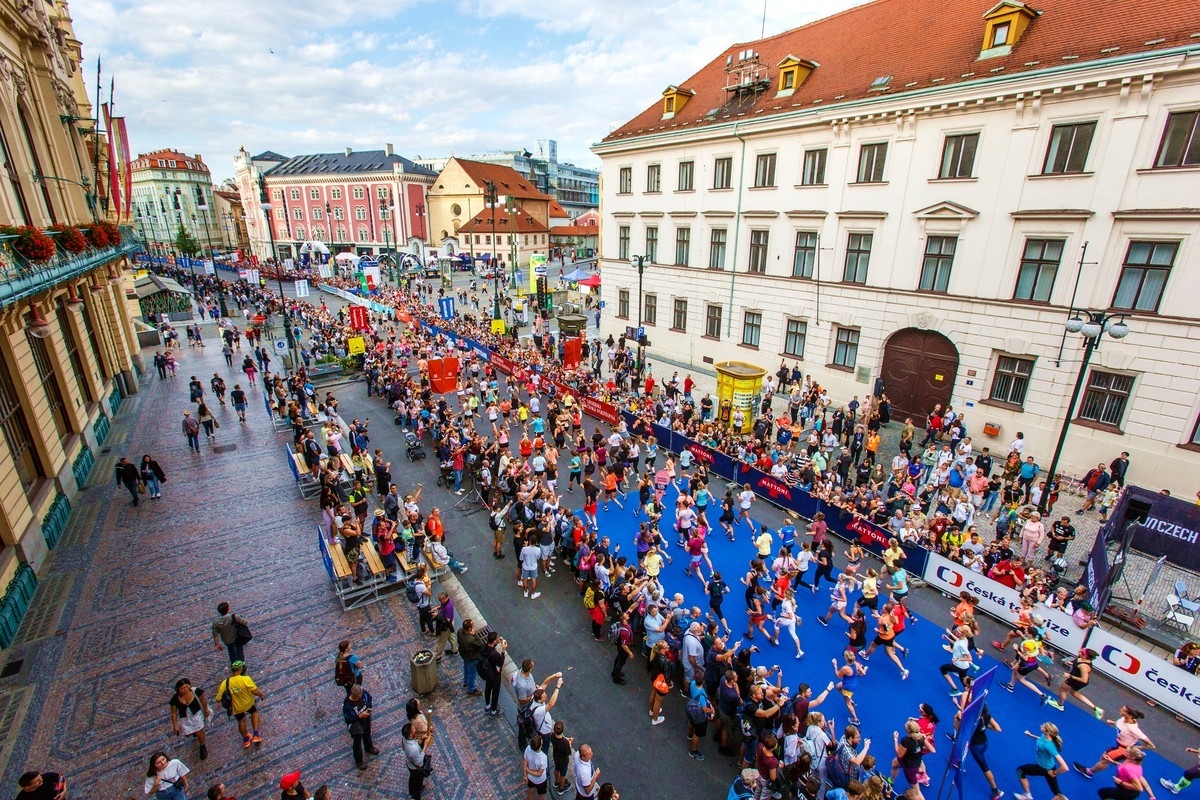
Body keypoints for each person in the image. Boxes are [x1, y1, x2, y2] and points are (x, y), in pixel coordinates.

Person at [1074, 706, 1155, 779]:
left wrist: (1133, 748)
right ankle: (1104, 765)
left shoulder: (1134, 729)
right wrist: (1113, 722)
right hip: (1119, 745)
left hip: (1123, 749)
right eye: (1121, 709)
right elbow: (1122, 726)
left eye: (1123, 710)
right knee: (1104, 757)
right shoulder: (1125, 719)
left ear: (1129, 715)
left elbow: (1151, 746)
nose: (1120, 710)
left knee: (1104, 760)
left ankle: (1089, 772)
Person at [216, 660, 264, 749]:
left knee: (241, 721)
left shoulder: (225, 683)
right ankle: (256, 735)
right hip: (248, 703)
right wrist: (261, 695)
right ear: (240, 669)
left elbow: (218, 699)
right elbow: (255, 691)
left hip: (236, 707)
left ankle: (246, 740)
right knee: (254, 713)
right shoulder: (245, 679)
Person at [1014, 722, 1067, 800]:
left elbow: (1065, 767)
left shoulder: (1049, 746)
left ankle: (1027, 796)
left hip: (1042, 768)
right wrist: (1031, 735)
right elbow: (1040, 739)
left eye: (1043, 726)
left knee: (1020, 771)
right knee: (1057, 792)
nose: (1041, 726)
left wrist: (1055, 773)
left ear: (1047, 732)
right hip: (1050, 767)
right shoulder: (1045, 736)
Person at [168, 679, 212, 761]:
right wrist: (175, 726)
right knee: (187, 734)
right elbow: (173, 713)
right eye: (183, 688)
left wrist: (206, 711)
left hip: (197, 714)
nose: (185, 689)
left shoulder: (196, 691)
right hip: (185, 717)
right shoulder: (175, 699)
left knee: (199, 731)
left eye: (187, 687)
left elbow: (203, 701)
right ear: (178, 689)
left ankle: (202, 746)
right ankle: (195, 732)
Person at [342, 685, 380, 770]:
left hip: (365, 719)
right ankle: (359, 761)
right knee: (357, 741)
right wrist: (359, 716)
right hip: (356, 724)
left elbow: (369, 698)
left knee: (367, 732)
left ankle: (369, 747)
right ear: (357, 696)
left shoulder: (363, 694)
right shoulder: (348, 705)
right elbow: (348, 719)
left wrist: (368, 709)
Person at [402, 721, 431, 800]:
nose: (415, 728)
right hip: (415, 768)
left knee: (412, 778)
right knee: (417, 783)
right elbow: (419, 762)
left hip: (409, 764)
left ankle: (411, 791)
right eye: (413, 728)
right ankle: (416, 796)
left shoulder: (404, 739)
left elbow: (415, 743)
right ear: (411, 734)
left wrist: (422, 739)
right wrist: (425, 745)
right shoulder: (413, 749)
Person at [481, 630, 506, 716]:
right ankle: (494, 711)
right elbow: (501, 663)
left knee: (488, 688)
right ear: (494, 640)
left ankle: (487, 705)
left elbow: (490, 647)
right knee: (495, 692)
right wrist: (503, 650)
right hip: (495, 675)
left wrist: (496, 643)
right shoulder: (495, 654)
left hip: (487, 672)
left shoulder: (484, 647)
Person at [457, 618, 483, 696]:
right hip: (472, 657)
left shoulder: (460, 631)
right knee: (472, 673)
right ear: (469, 629)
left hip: (464, 655)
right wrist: (474, 634)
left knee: (466, 668)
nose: (474, 625)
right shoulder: (470, 639)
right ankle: (471, 689)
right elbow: (479, 644)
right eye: (472, 625)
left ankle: (465, 681)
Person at [523, 733, 549, 799]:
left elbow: (525, 762)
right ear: (540, 746)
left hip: (530, 778)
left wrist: (525, 775)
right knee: (541, 797)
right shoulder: (543, 757)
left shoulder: (528, 748)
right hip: (541, 781)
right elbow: (539, 773)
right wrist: (528, 770)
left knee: (530, 793)